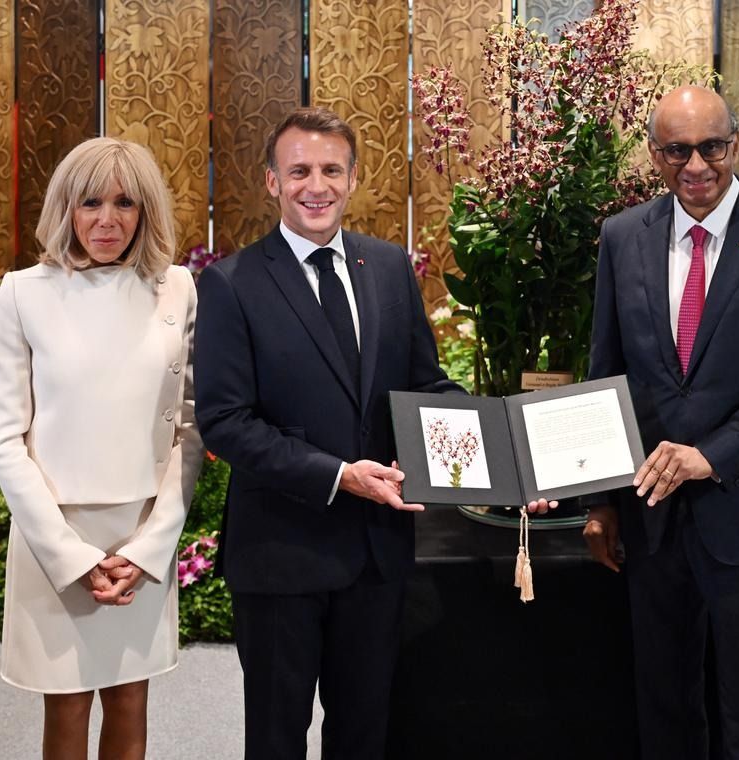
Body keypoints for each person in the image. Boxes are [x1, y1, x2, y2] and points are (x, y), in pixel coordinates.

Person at [194, 107, 555, 759]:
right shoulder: (229, 283)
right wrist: (339, 476)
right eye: (299, 171)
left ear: (354, 177)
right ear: (272, 181)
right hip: (281, 554)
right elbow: (226, 421)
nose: (317, 186)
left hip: (375, 556)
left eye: (332, 170)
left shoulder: (387, 267)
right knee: (275, 738)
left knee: (364, 734)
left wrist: (510, 460)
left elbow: (427, 387)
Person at [582, 85, 739, 759]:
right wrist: (601, 501)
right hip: (652, 514)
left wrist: (712, 454)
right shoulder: (622, 237)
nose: (696, 166)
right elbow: (607, 372)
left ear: (736, 144)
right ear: (653, 154)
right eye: (676, 150)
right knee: (663, 697)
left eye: (711, 147)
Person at [0, 137, 203, 759]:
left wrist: (150, 547)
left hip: (141, 531)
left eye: (125, 203)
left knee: (131, 700)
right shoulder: (24, 292)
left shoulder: (177, 288)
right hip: (54, 533)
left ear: (145, 211)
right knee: (67, 704)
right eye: (91, 203)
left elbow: (190, 430)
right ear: (66, 207)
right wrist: (69, 556)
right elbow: (5, 438)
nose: (107, 220)